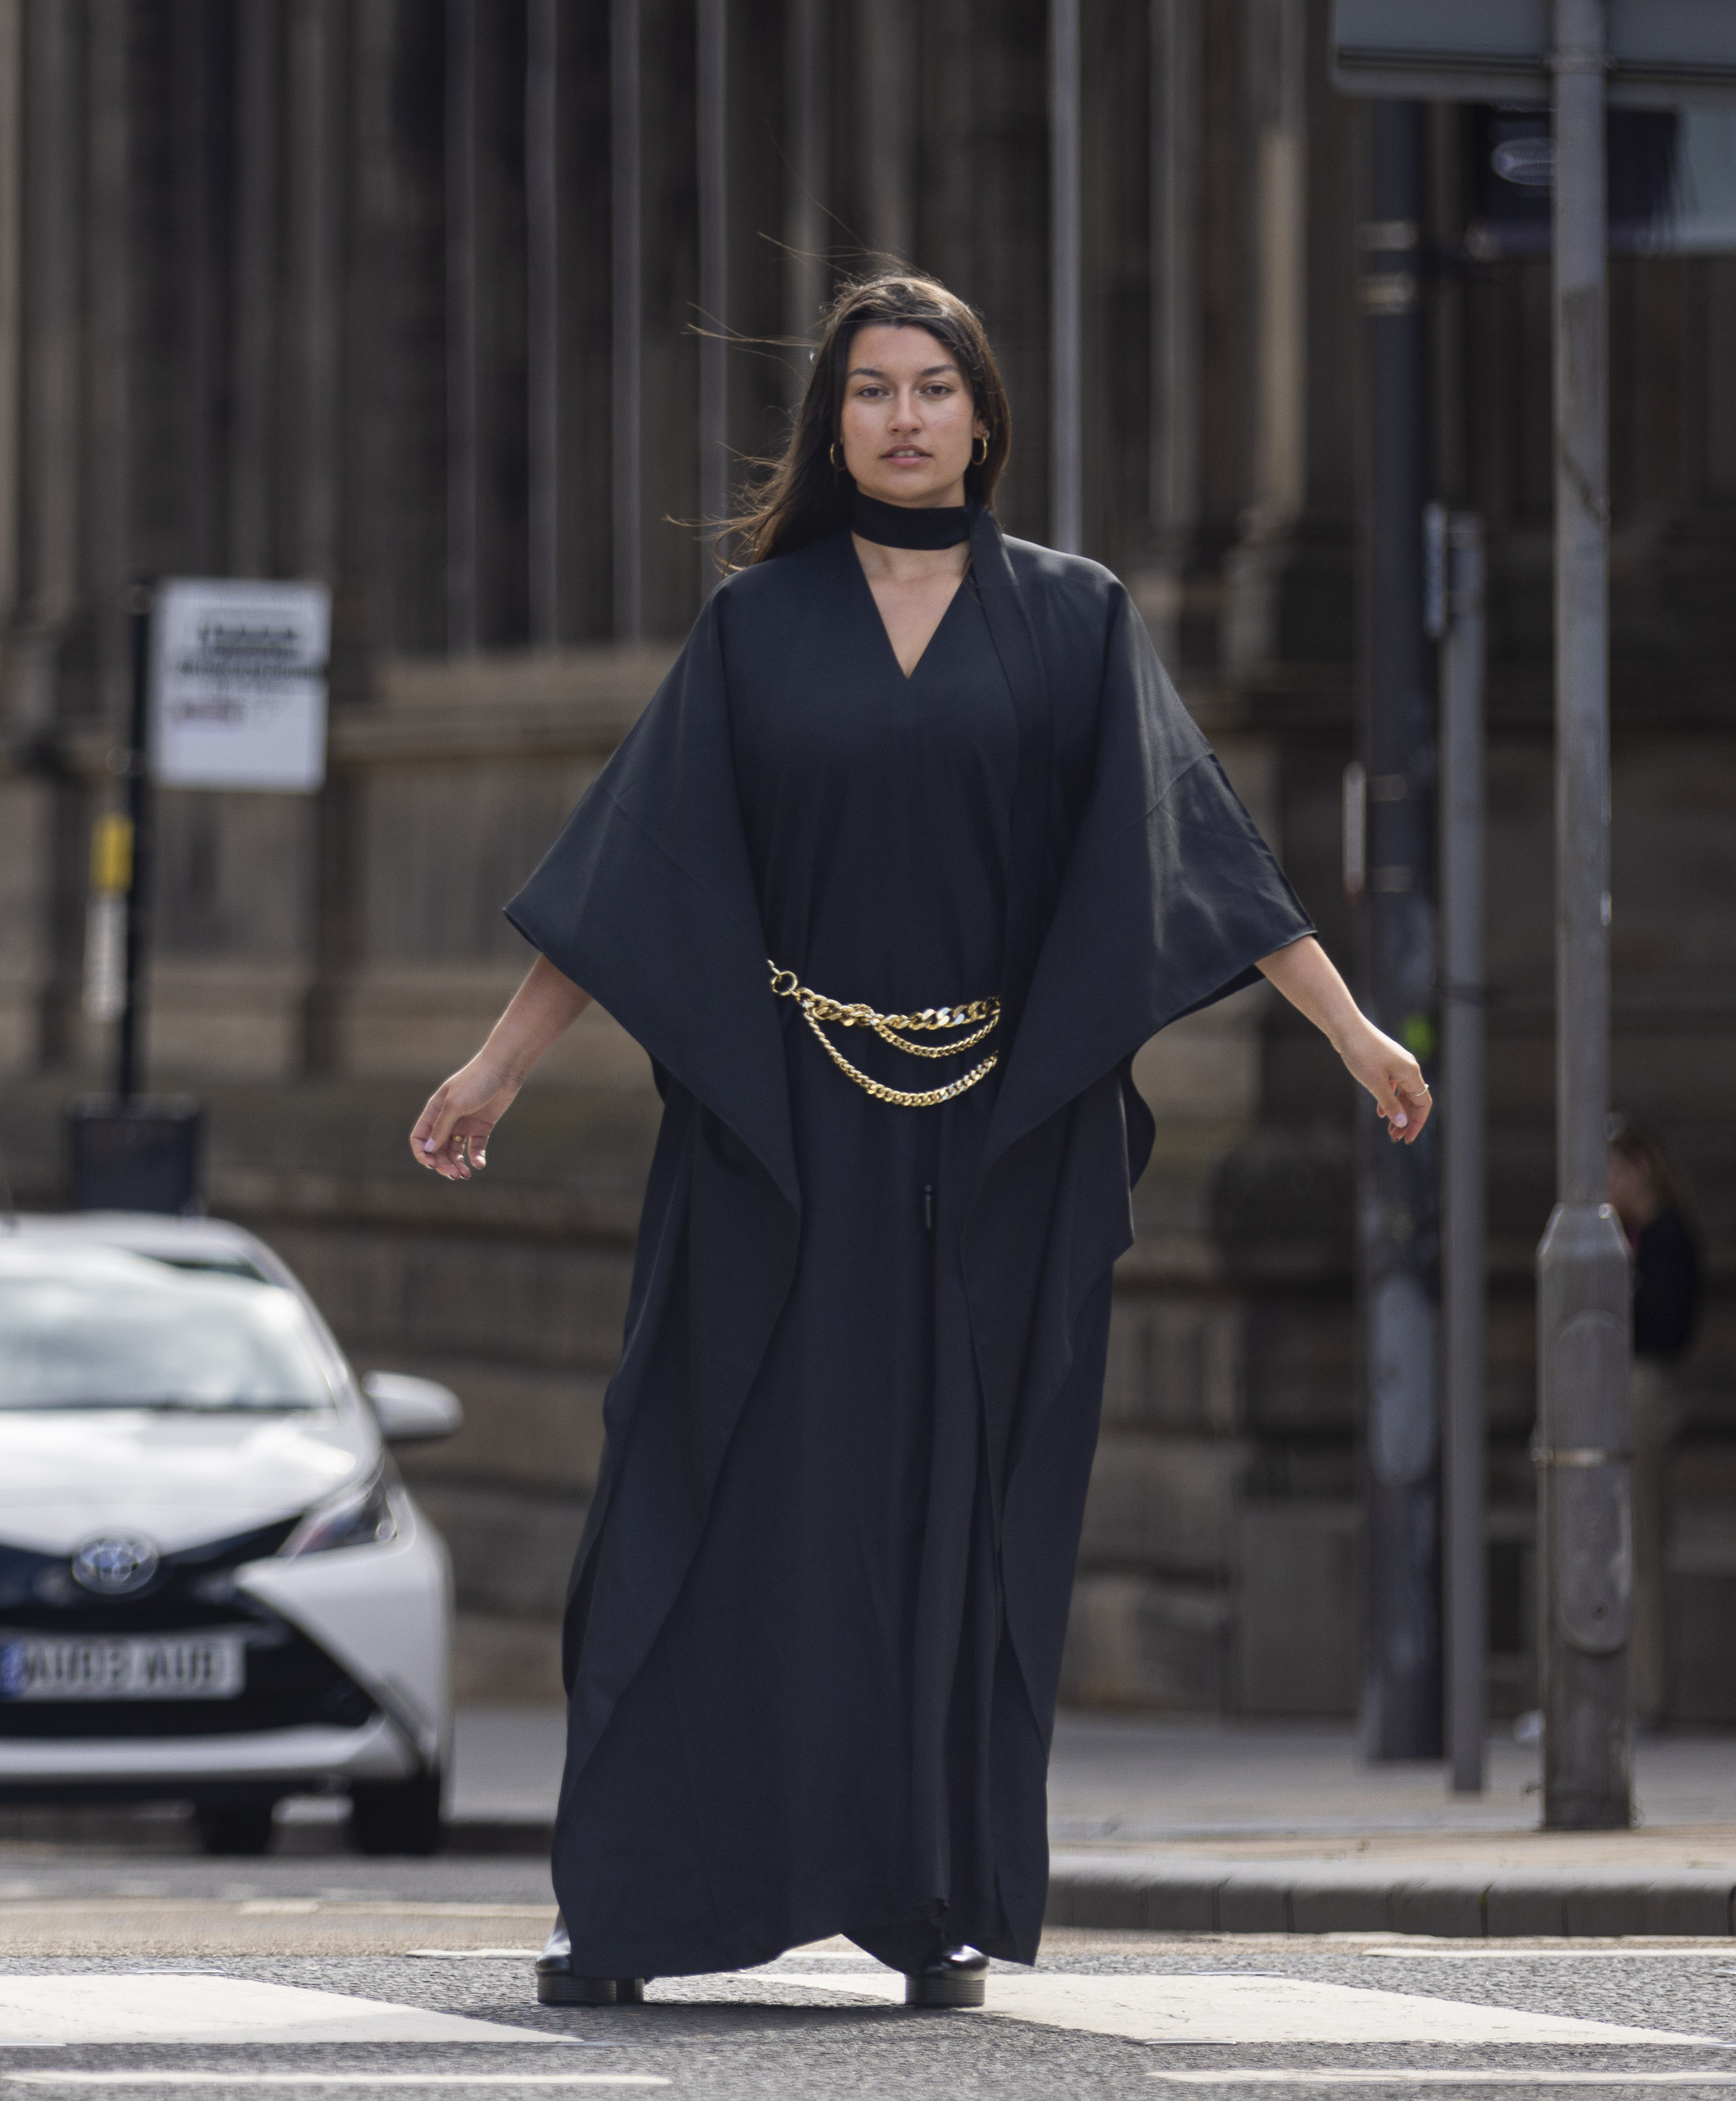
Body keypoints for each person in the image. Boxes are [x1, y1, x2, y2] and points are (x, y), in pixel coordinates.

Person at [410, 270, 1429, 2008]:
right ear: (830, 427)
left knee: (953, 1513)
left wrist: (1348, 1028)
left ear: (980, 416)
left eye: (929, 387)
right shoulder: (752, 627)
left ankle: (930, 1902)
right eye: (868, 389)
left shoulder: (1072, 620)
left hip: (993, 1147)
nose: (898, 416)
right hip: (777, 1140)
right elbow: (631, 873)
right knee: (710, 1480)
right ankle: (643, 1903)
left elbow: (1200, 858)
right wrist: (494, 1067)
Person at [1612, 1114, 1704, 1721]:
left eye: (1613, 1171)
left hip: (1646, 1393)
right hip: (1622, 1391)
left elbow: (1665, 1329)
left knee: (1642, 1545)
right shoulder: (1630, 1235)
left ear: (1641, 1169)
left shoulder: (1667, 1237)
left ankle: (1646, 1695)